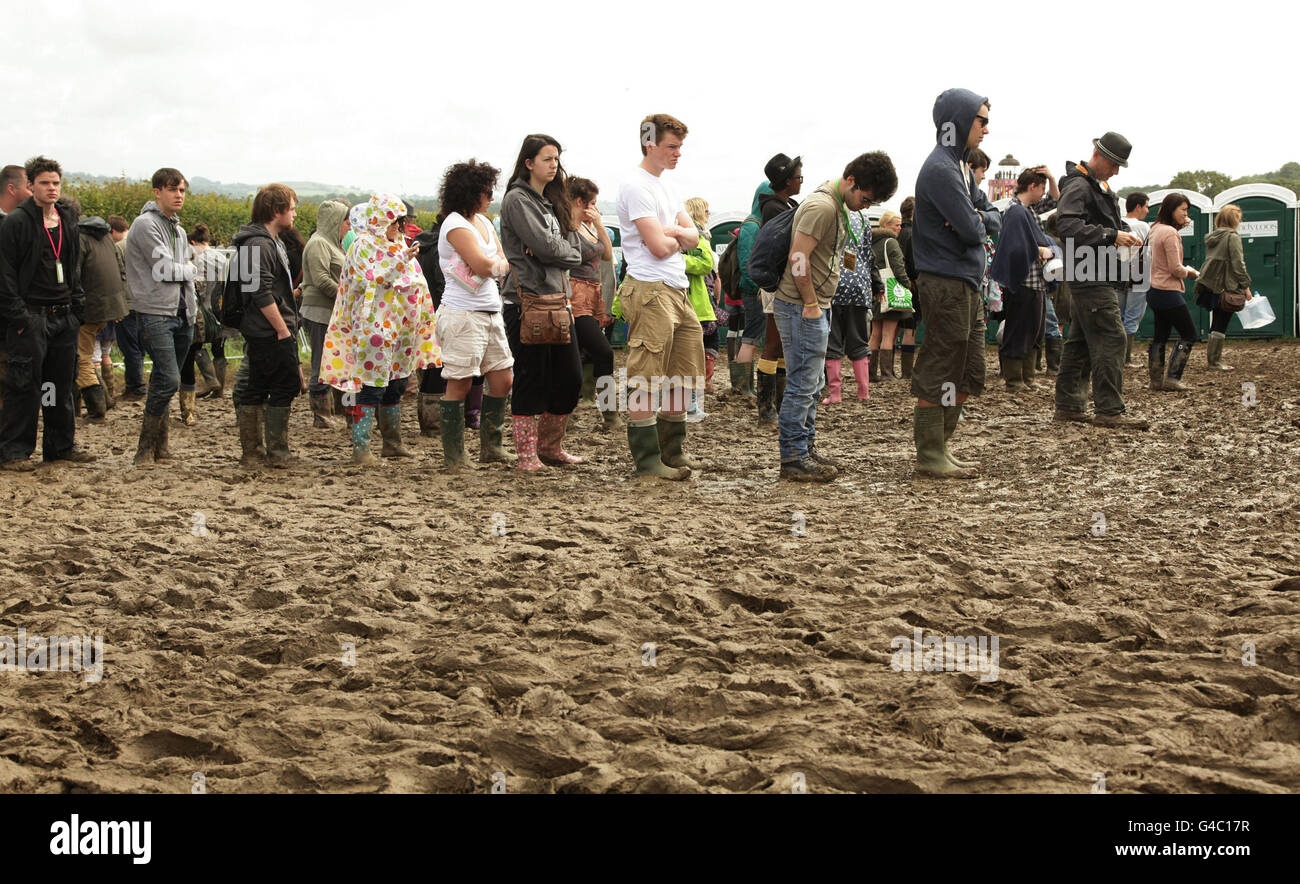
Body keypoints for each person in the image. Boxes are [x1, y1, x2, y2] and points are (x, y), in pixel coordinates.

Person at [774, 152, 896, 482]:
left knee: (811, 383)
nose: (865, 206)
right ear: (852, 181)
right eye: (866, 198)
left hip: (813, 305)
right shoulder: (823, 206)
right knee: (802, 383)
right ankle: (794, 457)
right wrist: (811, 303)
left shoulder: (836, 204)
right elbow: (798, 257)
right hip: (802, 306)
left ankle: (805, 449)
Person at [910, 89, 1001, 479]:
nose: (986, 129)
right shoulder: (941, 170)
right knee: (942, 364)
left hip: (965, 283)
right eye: (980, 120)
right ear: (960, 121)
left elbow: (990, 217)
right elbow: (970, 230)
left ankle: (942, 447)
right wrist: (976, 221)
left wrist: (978, 218)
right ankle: (930, 454)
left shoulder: (960, 166)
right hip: (946, 283)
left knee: (965, 370)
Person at [319, 193, 438, 466]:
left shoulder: (399, 246)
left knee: (395, 385)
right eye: (394, 221)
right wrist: (401, 262)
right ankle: (361, 449)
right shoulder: (362, 245)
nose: (398, 227)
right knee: (372, 386)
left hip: (401, 329)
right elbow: (369, 279)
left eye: (400, 222)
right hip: (374, 327)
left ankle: (392, 443)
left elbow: (414, 281)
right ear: (379, 219)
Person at [615, 114, 704, 480]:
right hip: (650, 289)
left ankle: (672, 450)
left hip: (677, 290)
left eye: (680, 146)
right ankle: (649, 460)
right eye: (672, 146)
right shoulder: (636, 186)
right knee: (646, 376)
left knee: (683, 376)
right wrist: (675, 234)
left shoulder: (667, 185)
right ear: (649, 144)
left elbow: (695, 236)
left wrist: (675, 234)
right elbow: (656, 246)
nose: (678, 153)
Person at [500, 134, 595, 471]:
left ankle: (549, 448)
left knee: (570, 378)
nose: (554, 165)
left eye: (556, 158)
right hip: (527, 302)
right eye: (547, 159)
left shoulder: (550, 200)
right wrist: (557, 250)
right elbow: (550, 249)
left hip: (558, 300)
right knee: (531, 377)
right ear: (529, 163)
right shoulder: (517, 200)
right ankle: (527, 455)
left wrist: (557, 250)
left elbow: (571, 249)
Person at [0, 156, 95, 469]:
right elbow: (6, 275)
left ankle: (59, 446)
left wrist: (76, 308)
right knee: (24, 385)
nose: (51, 188)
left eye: (55, 183)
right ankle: (15, 451)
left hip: (63, 315)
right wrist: (20, 318)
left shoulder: (66, 220)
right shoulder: (16, 222)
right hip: (31, 316)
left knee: (56, 385)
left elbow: (73, 267)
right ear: (30, 186)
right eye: (44, 183)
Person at [1052, 132, 1148, 429]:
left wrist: (1118, 230)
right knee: (1111, 337)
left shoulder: (1090, 185)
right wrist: (1111, 235)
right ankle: (1109, 409)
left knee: (1081, 342)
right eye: (1116, 164)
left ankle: (1068, 405)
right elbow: (1066, 224)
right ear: (1100, 156)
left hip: (1090, 274)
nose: (1117, 171)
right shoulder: (1081, 185)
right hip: (1092, 276)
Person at [434, 160, 515, 468]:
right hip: (463, 313)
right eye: (486, 191)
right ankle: (454, 455)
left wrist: (494, 263)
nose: (491, 197)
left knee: (503, 378)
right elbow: (487, 265)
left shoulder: (483, 222)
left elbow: (498, 260)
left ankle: (490, 446)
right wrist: (495, 264)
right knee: (460, 381)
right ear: (471, 192)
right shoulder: (455, 224)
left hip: (490, 310)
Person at [125, 167, 197, 465]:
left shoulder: (178, 230)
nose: (178, 195)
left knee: (164, 379)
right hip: (154, 311)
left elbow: (179, 269)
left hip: (182, 312)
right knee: (168, 379)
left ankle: (160, 447)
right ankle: (144, 448)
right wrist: (192, 270)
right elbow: (165, 269)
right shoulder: (145, 225)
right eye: (172, 189)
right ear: (157, 192)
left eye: (181, 190)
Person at [231, 184, 305, 466]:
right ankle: (270, 452)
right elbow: (257, 291)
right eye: (292, 208)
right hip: (267, 329)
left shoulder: (269, 241)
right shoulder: (256, 243)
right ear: (277, 211)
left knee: (261, 385)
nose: (295, 214)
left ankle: (259, 452)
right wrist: (282, 329)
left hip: (270, 327)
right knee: (281, 386)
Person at [990, 169, 1055, 392]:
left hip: (1032, 280)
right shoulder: (1017, 212)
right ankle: (1015, 380)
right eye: (1042, 188)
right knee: (1019, 329)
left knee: (1033, 329)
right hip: (1024, 280)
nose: (1043, 194)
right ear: (1032, 186)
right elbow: (1015, 247)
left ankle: (1026, 377)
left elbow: (1055, 201)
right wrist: (1039, 249)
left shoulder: (1024, 210)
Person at [567, 176, 618, 429]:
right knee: (602, 352)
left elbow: (607, 254)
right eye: (593, 204)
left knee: (583, 355)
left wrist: (598, 223)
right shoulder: (567, 228)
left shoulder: (589, 226)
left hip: (593, 295)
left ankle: (607, 415)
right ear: (580, 202)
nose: (596, 208)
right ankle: (608, 415)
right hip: (575, 296)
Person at [755, 153, 801, 424]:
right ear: (786, 181)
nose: (800, 182)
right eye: (798, 177)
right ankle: (766, 407)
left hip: (783, 282)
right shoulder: (775, 209)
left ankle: (778, 403)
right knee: (772, 344)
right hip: (777, 283)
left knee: (782, 345)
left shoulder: (784, 205)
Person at [74, 198, 129, 421]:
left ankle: (97, 408)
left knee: (80, 358)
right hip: (110, 305)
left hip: (90, 307)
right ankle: (105, 398)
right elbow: (120, 270)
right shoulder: (105, 237)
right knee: (90, 355)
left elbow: (74, 274)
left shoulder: (78, 238)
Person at [299, 199, 349, 427]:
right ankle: (321, 415)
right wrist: (347, 296)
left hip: (333, 312)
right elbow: (320, 280)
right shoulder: (318, 243)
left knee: (336, 362)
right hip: (320, 311)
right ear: (334, 221)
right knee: (321, 363)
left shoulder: (333, 244)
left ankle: (336, 411)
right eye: (345, 221)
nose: (348, 225)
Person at [822, 208, 880, 404]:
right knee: (859, 339)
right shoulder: (864, 218)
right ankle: (864, 392)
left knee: (833, 339)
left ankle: (835, 394)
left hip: (834, 284)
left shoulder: (831, 215)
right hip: (859, 285)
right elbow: (868, 256)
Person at [1145, 193, 1200, 392]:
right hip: (1167, 290)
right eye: (1183, 210)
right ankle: (1173, 378)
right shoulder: (1170, 233)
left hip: (1153, 289)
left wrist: (1177, 228)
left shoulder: (1155, 228)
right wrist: (1192, 273)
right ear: (1172, 210)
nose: (1186, 214)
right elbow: (1176, 269)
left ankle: (1156, 380)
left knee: (1161, 334)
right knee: (1189, 334)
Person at [728, 182, 770, 400]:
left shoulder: (756, 224)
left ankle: (744, 386)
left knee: (751, 337)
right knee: (751, 338)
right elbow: (747, 264)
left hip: (755, 290)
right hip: (753, 292)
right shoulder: (752, 226)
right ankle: (742, 387)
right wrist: (759, 288)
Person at [1197, 204, 1252, 371]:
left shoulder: (1213, 236)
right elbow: (1238, 263)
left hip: (1212, 283)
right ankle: (1215, 361)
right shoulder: (1232, 237)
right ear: (1234, 220)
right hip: (1227, 284)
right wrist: (1245, 285)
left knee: (1217, 319)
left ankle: (1213, 359)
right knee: (1223, 320)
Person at [177, 224, 222, 425]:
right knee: (203, 348)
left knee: (186, 359)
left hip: (193, 312)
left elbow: (199, 285)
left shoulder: (194, 262)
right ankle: (211, 383)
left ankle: (188, 411)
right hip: (207, 310)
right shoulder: (218, 256)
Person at [682, 197, 717, 421]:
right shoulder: (692, 236)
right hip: (691, 302)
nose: (709, 213)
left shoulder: (700, 237)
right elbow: (705, 264)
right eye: (706, 210)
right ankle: (689, 405)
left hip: (699, 301)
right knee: (688, 357)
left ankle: (691, 404)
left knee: (694, 355)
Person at [868, 210, 913, 382]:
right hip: (891, 291)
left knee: (875, 333)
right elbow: (898, 268)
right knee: (888, 333)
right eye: (896, 224)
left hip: (875, 291)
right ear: (886, 225)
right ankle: (886, 373)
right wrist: (907, 285)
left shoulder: (872, 242)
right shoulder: (891, 243)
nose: (900, 228)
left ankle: (871, 373)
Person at [1119, 191, 1151, 365]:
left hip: (1118, 274)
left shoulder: (1118, 223)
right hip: (1138, 273)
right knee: (1132, 316)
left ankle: (1119, 356)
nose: (1147, 210)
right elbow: (1147, 253)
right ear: (1138, 206)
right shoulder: (1143, 226)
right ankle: (1126, 358)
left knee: (1120, 315)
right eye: (1145, 206)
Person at [897, 195, 919, 379]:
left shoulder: (897, 233)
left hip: (893, 286)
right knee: (910, 329)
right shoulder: (913, 235)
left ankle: (882, 369)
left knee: (890, 328)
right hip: (911, 285)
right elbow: (912, 263)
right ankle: (907, 372)